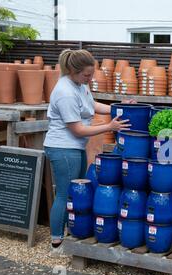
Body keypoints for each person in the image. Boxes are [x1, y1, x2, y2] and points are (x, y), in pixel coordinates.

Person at [43, 49, 131, 256]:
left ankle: (69, 232)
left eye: (92, 74)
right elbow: (78, 129)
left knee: (75, 192)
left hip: (74, 147)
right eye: (86, 75)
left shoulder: (80, 84)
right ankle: (56, 242)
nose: (90, 78)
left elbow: (92, 105)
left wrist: (118, 107)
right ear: (72, 71)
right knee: (65, 194)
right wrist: (110, 127)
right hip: (63, 148)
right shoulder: (65, 92)